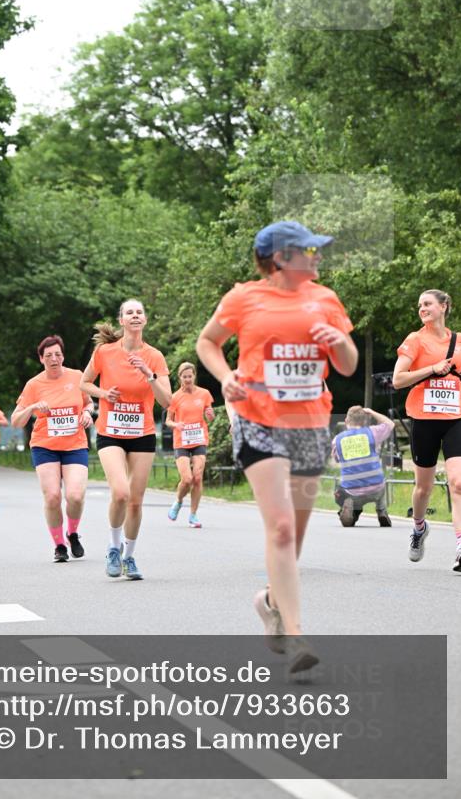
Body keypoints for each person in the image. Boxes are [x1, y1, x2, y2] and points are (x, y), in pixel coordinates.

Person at [196, 221, 357, 673]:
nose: (318, 257)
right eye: (310, 250)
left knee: (296, 534)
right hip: (258, 421)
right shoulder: (243, 298)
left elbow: (347, 367)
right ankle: (295, 635)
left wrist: (340, 342)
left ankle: (269, 601)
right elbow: (208, 342)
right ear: (280, 258)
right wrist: (226, 376)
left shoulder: (324, 299)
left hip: (308, 424)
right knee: (282, 529)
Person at [81, 299, 171, 580]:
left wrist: (150, 375)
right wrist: (103, 395)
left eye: (139, 312)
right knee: (120, 492)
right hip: (110, 431)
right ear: (122, 320)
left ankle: (129, 557)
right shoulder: (105, 352)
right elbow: (84, 383)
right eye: (129, 312)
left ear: (144, 320)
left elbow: (167, 400)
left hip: (142, 433)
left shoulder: (154, 356)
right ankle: (113, 547)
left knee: (135, 500)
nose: (135, 315)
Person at [393, 289, 461, 572]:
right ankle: (419, 527)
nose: (422, 308)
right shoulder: (415, 340)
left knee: (459, 482)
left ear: (444, 307)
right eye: (420, 304)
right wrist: (432, 369)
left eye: (428, 304)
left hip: (457, 416)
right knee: (423, 488)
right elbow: (398, 379)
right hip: (424, 418)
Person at [13, 336, 94, 562]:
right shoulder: (34, 385)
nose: (54, 359)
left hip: (74, 444)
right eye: (48, 355)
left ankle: (73, 532)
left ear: (63, 356)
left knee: (75, 496)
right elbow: (16, 420)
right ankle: (59, 545)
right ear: (41, 359)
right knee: (52, 497)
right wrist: (31, 407)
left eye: (57, 354)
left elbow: (88, 401)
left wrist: (87, 412)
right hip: (45, 446)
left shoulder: (77, 377)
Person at [166, 362, 215, 528]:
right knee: (186, 479)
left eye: (190, 376)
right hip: (182, 440)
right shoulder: (175, 397)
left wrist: (210, 415)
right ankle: (178, 502)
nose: (187, 379)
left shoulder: (204, 394)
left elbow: (210, 416)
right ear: (180, 377)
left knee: (198, 477)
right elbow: (168, 421)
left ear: (194, 376)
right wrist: (176, 425)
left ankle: (193, 514)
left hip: (199, 439)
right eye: (184, 376)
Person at [332, 406, 393, 527]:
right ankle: (381, 510)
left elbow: (336, 459)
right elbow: (390, 424)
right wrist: (371, 411)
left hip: (352, 490)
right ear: (365, 421)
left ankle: (350, 508)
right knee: (382, 481)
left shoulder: (337, 440)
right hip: (376, 488)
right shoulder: (372, 432)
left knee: (339, 491)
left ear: (346, 421)